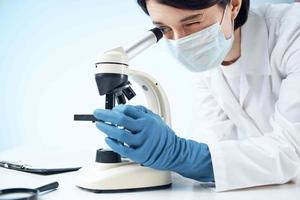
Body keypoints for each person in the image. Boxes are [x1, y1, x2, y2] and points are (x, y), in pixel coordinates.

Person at [93, 0, 300, 191]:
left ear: (234, 4)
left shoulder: (293, 33)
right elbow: (218, 144)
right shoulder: (208, 60)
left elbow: (291, 152)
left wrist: (179, 154)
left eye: (192, 22)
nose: (180, 41)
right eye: (164, 29)